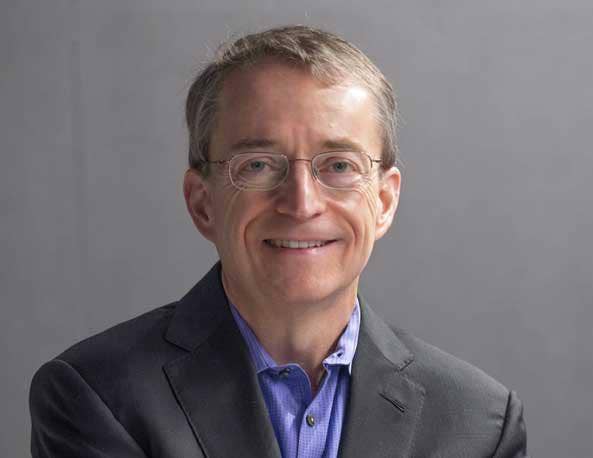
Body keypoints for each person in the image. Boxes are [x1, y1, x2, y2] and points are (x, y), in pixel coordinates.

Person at [29, 25, 527, 457]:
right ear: (202, 203)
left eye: (339, 165)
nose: (302, 203)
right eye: (258, 166)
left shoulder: (477, 423)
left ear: (384, 201)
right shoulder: (97, 396)